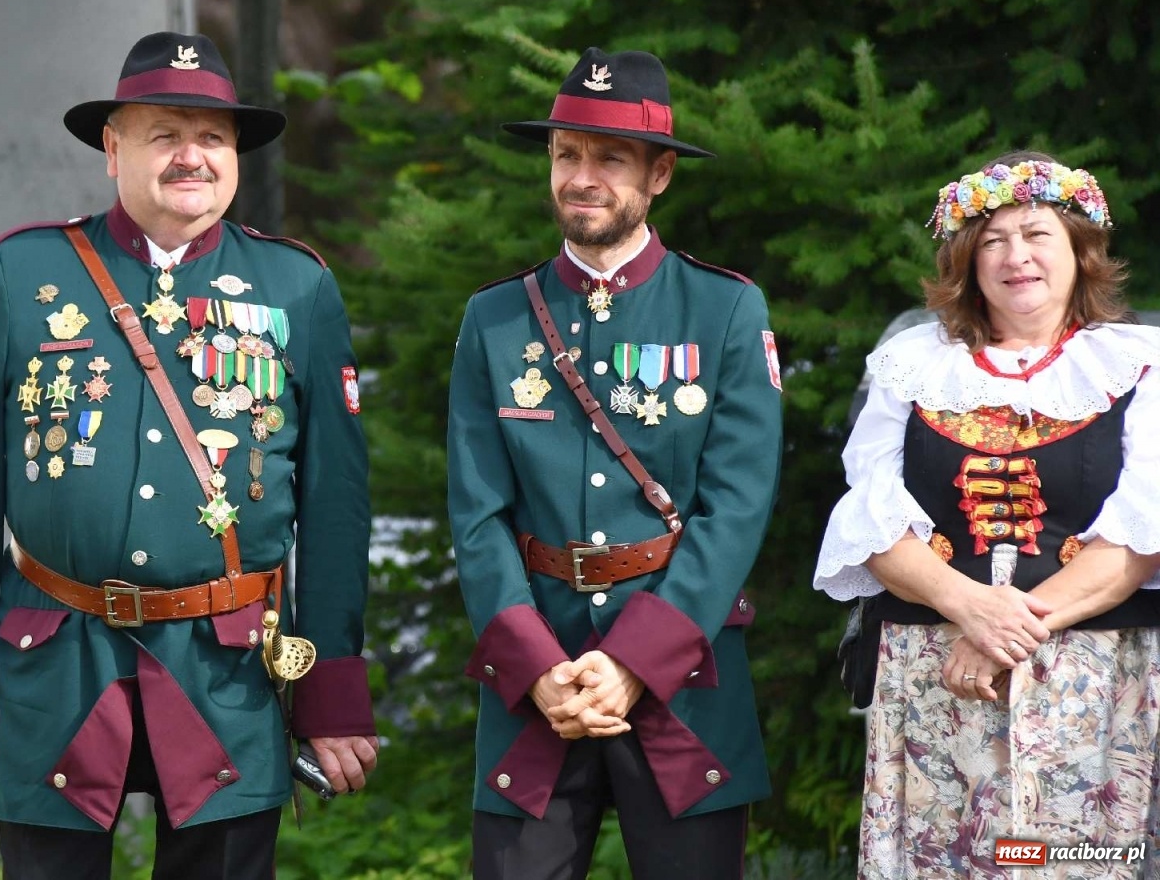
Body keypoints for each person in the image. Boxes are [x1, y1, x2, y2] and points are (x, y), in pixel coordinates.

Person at [0, 31, 379, 880]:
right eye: (165, 134)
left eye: (213, 138)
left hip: (226, 671)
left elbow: (335, 508)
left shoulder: (296, 288)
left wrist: (332, 693)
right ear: (112, 149)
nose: (191, 156)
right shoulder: (21, 274)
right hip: (57, 659)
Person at [447, 48, 782, 879]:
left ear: (659, 174)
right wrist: (534, 665)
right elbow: (477, 512)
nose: (582, 176)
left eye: (609, 157)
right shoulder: (494, 319)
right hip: (539, 681)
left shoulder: (726, 308)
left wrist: (636, 662)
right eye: (566, 154)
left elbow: (736, 508)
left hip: (684, 673)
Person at [813, 152, 1160, 878]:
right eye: (993, 240)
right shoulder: (909, 364)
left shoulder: (1141, 364)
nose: (1016, 256)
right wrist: (968, 608)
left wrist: (1004, 631)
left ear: (1079, 251)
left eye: (1038, 235)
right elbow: (872, 520)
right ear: (968, 262)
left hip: (1090, 681)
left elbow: (1141, 533)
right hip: (936, 674)